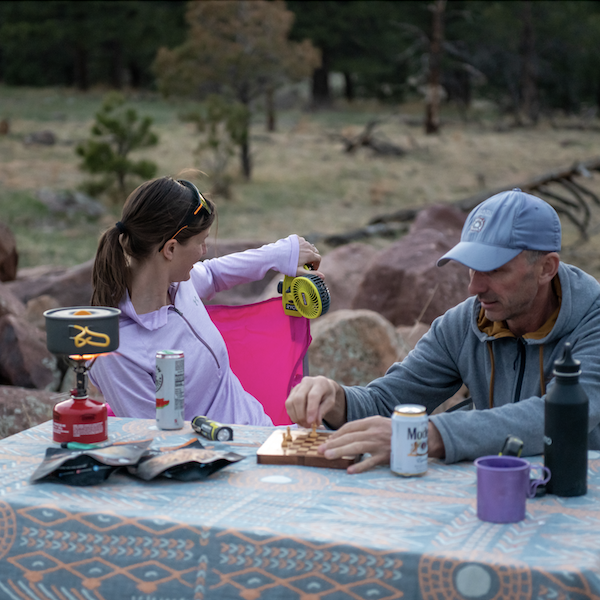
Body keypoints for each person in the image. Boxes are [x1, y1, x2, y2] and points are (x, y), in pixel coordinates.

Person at [286, 188, 600, 472]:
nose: (474, 286)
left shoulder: (593, 320)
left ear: (547, 268)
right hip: (503, 492)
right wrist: (335, 398)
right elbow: (386, 402)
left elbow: (564, 416)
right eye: (472, 267)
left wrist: (433, 435)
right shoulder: (466, 323)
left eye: (494, 269)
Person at [89, 176, 321, 425]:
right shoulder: (118, 353)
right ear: (170, 249)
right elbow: (156, 444)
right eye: (201, 242)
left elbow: (213, 274)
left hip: (261, 433)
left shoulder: (177, 286)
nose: (204, 251)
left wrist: (282, 253)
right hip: (223, 458)